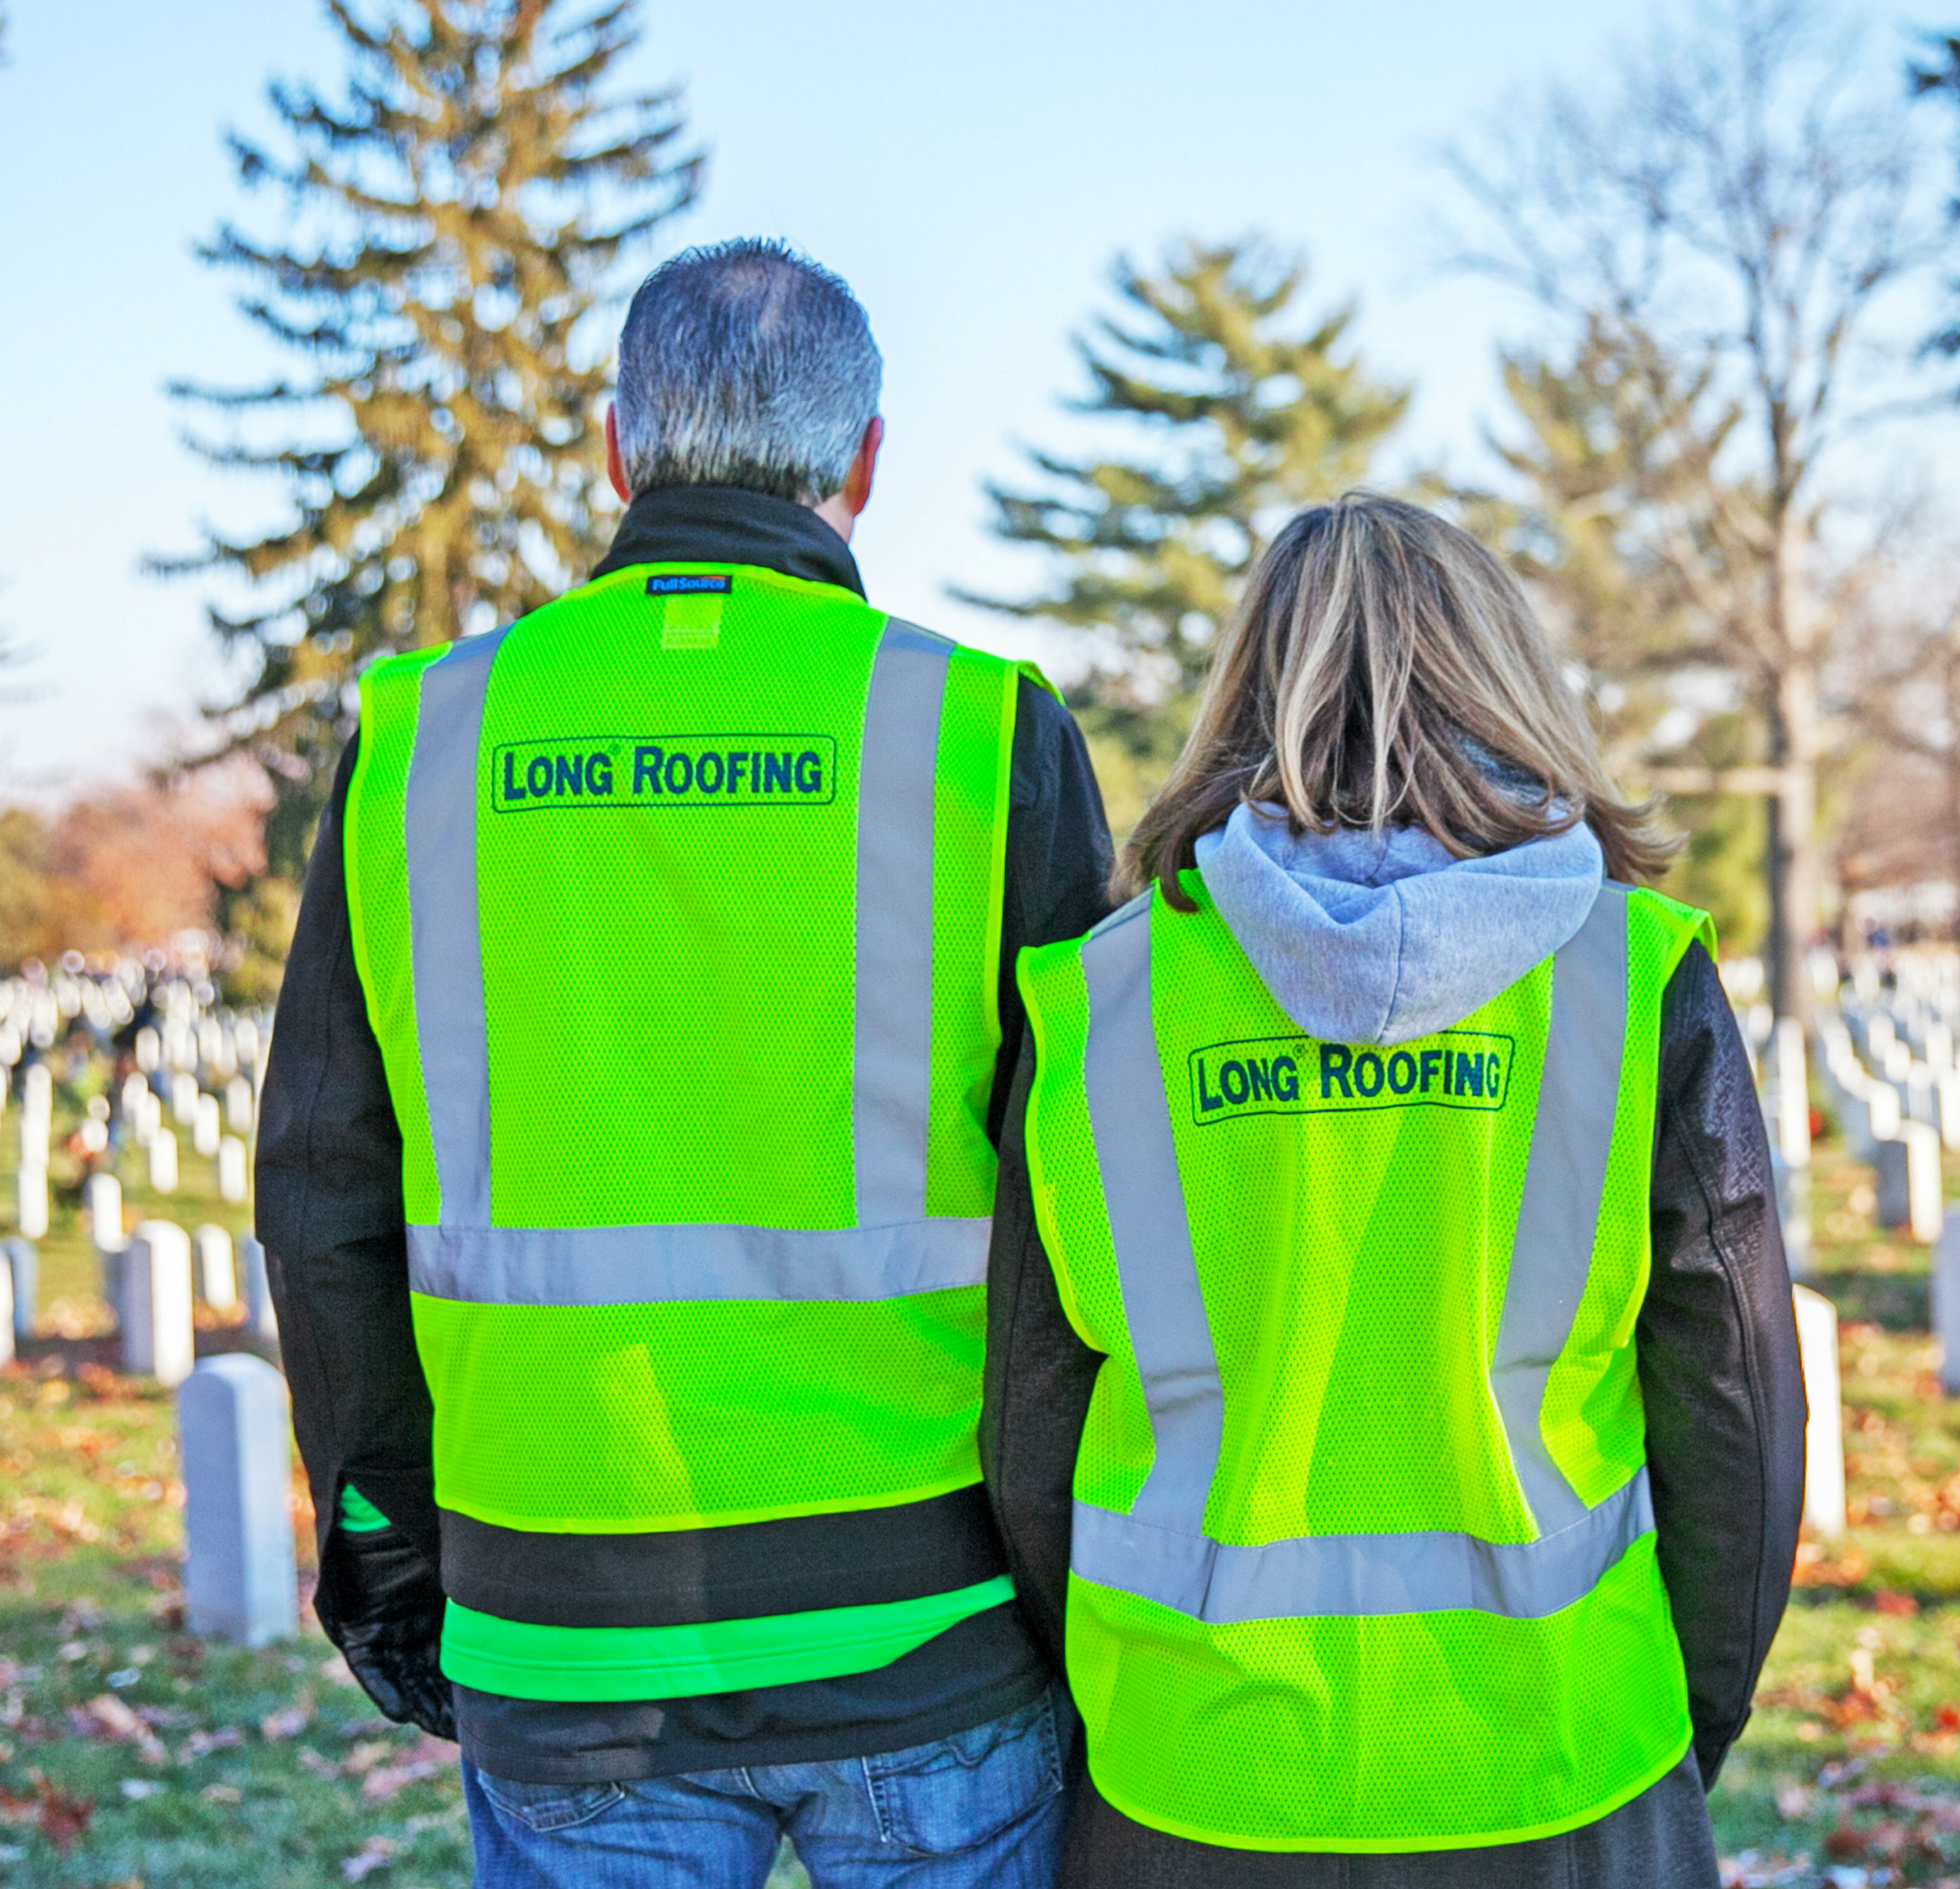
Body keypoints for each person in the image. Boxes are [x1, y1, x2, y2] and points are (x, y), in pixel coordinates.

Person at [257, 240, 1111, 1887]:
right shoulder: (982, 729)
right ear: (865, 464)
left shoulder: (423, 741)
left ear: (617, 448)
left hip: (561, 1626)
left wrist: (382, 1546)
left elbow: (323, 1196)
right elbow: (1087, 1209)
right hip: (928, 1623)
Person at [981, 493, 1805, 1883]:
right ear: (1504, 678)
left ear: (1244, 689)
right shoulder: (1627, 975)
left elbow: (1031, 1423)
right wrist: (1689, 1715)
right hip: (1564, 1761)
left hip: (1193, 1774)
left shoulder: (1102, 996)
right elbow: (1736, 1399)